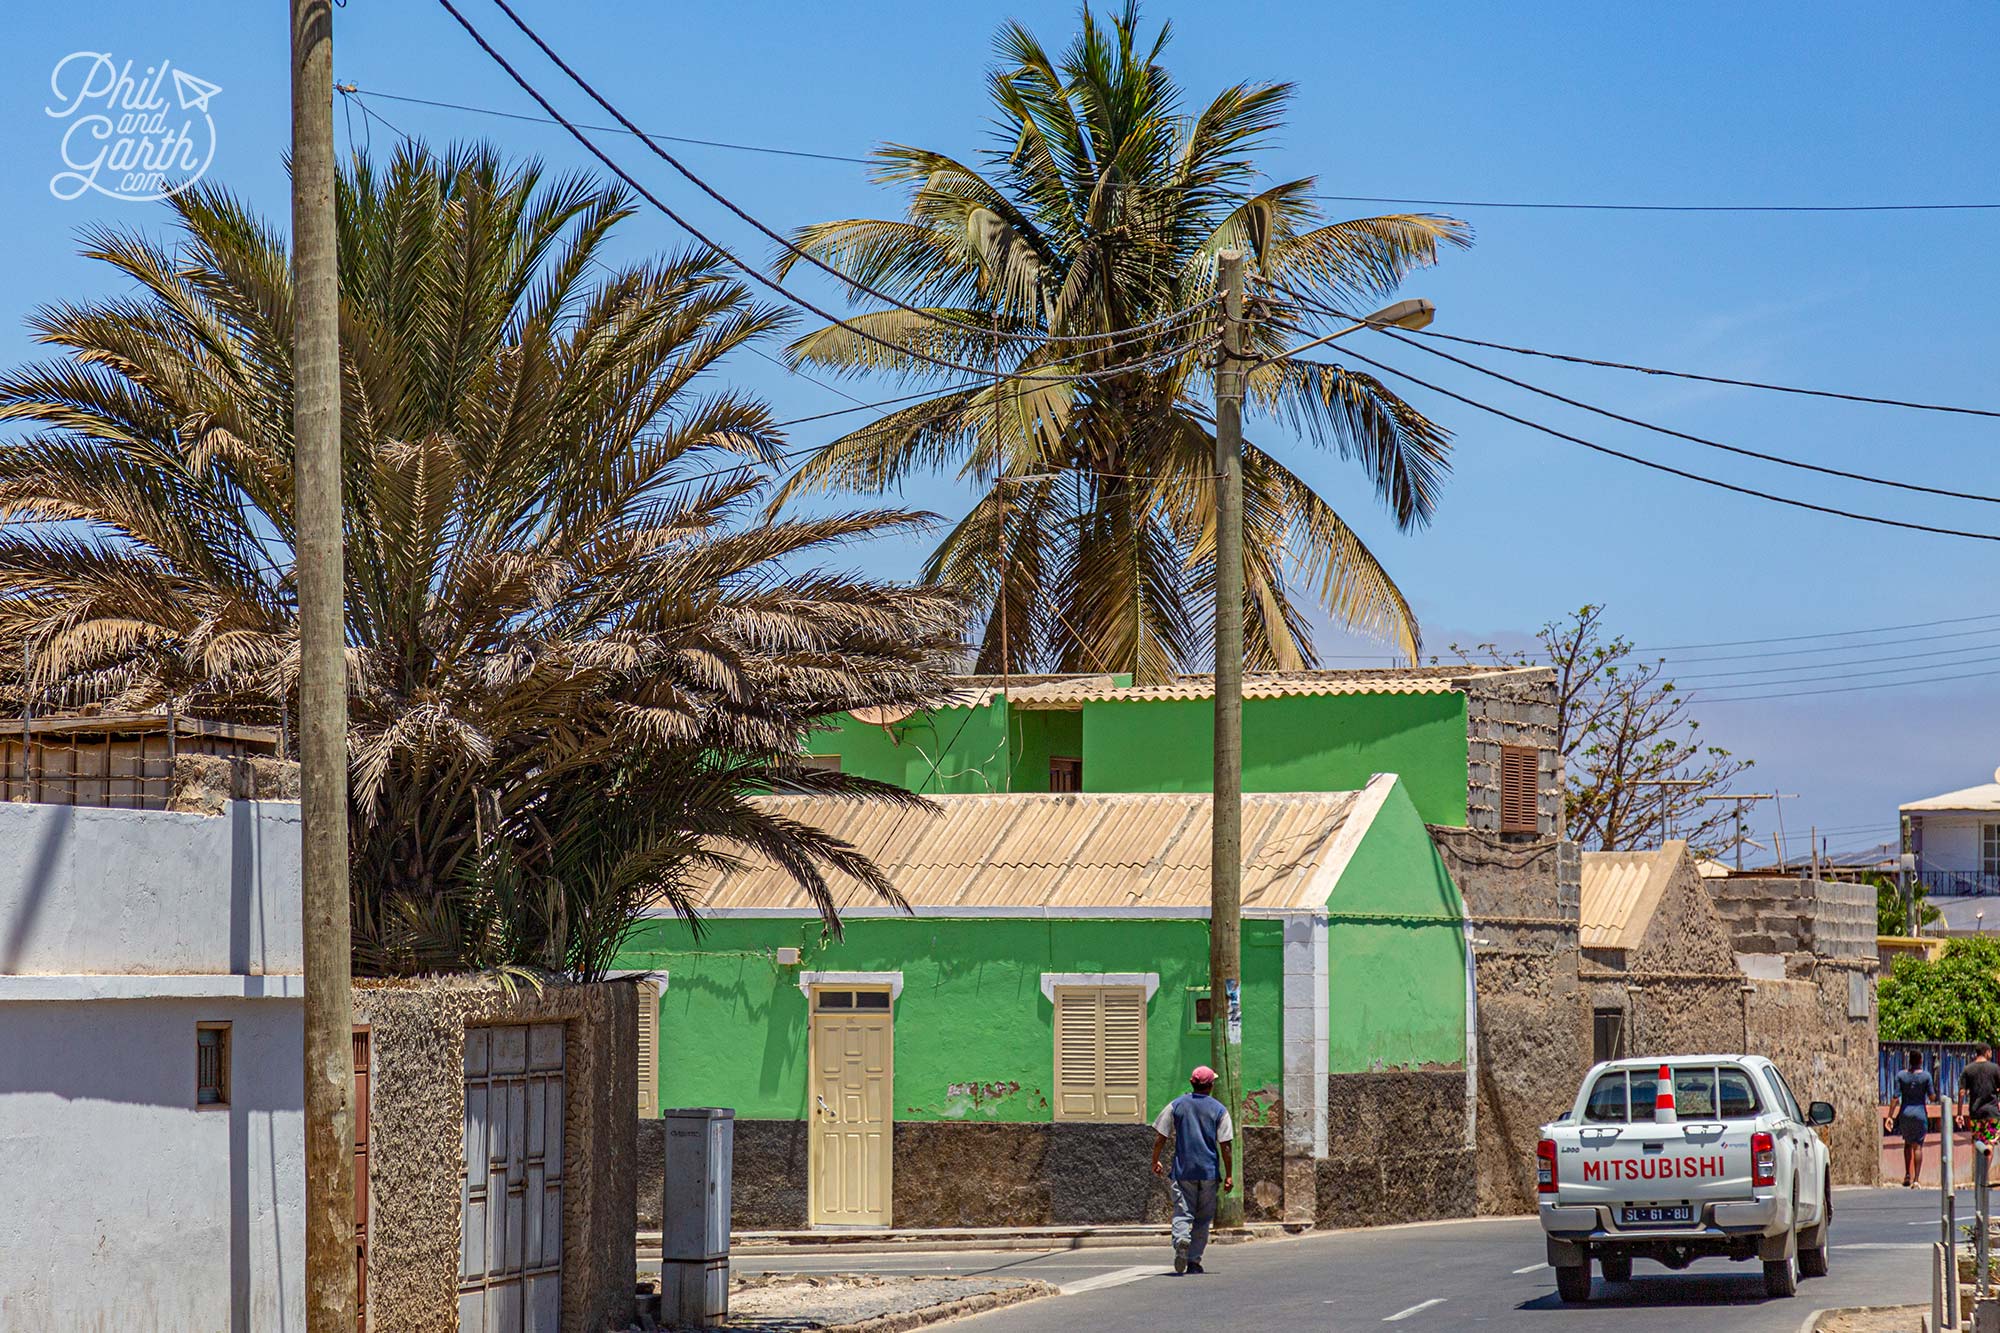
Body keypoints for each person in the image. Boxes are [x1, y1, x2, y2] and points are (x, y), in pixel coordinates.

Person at [1150, 1064, 1235, 1275]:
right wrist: (1229, 1174)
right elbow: (1226, 1145)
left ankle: (1180, 1240)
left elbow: (1161, 1136)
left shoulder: (1176, 1105)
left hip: (1183, 1170)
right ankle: (1194, 1260)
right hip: (1208, 1171)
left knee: (1182, 1210)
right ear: (1211, 1086)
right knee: (1203, 1218)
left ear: (1192, 1083)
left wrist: (1155, 1160)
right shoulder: (1219, 1110)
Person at [1891, 1050, 1935, 1188]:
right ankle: (1916, 1179)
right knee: (1918, 1146)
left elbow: (1895, 1097)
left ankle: (1907, 1174)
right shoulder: (1926, 1076)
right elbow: (1932, 1097)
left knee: (1907, 1144)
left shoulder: (1901, 1075)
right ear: (1921, 1060)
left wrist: (1890, 1116)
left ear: (1909, 1060)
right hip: (1920, 1113)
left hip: (1905, 1113)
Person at [1958, 1042, 2000, 1151]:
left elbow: (1962, 1092)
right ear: (1987, 1052)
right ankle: (1986, 1166)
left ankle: (1978, 1166)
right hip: (1992, 1113)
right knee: (1990, 1142)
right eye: (1990, 1052)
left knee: (1977, 1142)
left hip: (1975, 1112)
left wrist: (1959, 1113)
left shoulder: (1968, 1069)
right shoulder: (1995, 1068)